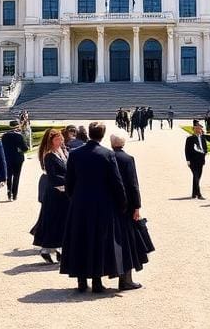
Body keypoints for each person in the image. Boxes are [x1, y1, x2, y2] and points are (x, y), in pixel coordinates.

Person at [60, 122, 127, 294]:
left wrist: (74, 198)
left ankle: (81, 280)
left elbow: (69, 182)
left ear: (89, 134)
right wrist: (122, 203)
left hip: (80, 203)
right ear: (102, 135)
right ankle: (97, 281)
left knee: (80, 239)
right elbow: (116, 182)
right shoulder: (107, 154)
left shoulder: (75, 154)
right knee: (98, 241)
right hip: (101, 204)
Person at [109, 129, 151, 290]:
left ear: (112, 143)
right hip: (126, 206)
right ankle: (126, 279)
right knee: (129, 242)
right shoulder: (127, 159)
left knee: (115, 242)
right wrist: (137, 207)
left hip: (111, 205)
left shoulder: (107, 157)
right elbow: (133, 185)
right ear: (124, 143)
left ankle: (120, 277)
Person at [30, 128, 69, 263]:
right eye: (58, 139)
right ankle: (47, 249)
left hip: (64, 192)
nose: (61, 141)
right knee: (53, 220)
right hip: (55, 192)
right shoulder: (49, 155)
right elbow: (53, 176)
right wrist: (69, 180)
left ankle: (59, 249)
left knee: (62, 221)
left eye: (61, 139)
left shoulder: (63, 152)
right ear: (51, 141)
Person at [0, 119, 29, 201]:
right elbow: (25, 148)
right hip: (18, 159)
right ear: (17, 127)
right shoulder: (19, 136)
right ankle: (14, 194)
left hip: (7, 158)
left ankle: (9, 193)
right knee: (16, 176)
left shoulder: (4, 136)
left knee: (9, 176)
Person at [184, 120, 208, 200]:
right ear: (194, 129)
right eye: (196, 128)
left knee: (198, 177)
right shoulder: (190, 139)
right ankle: (199, 194)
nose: (198, 130)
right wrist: (188, 160)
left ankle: (194, 193)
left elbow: (205, 148)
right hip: (193, 160)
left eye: (199, 128)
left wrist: (204, 153)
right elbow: (186, 150)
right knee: (196, 176)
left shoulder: (203, 138)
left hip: (200, 160)